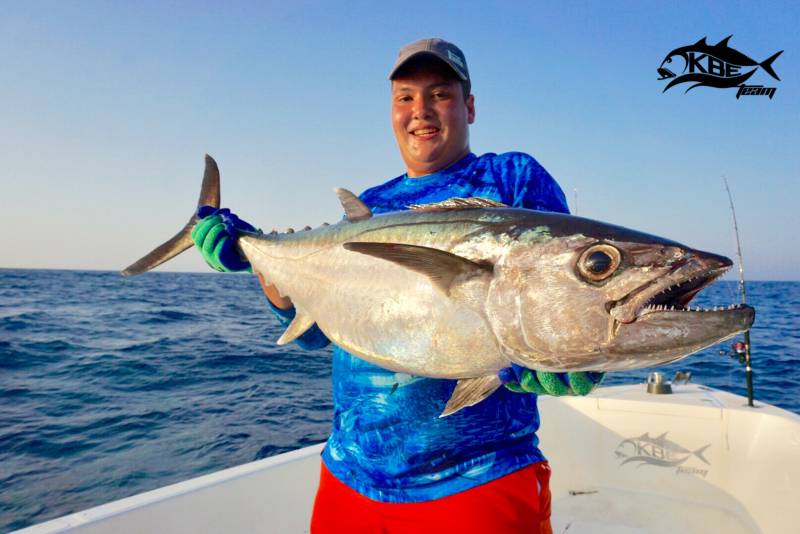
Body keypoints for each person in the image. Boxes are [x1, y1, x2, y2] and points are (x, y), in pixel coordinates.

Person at [191, 38, 603, 534]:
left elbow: (568, 283)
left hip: (478, 478)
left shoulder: (511, 176)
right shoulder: (371, 203)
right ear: (391, 112)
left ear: (469, 106)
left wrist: (579, 354)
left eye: (440, 94)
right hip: (349, 474)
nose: (421, 111)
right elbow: (317, 334)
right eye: (405, 97)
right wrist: (259, 263)